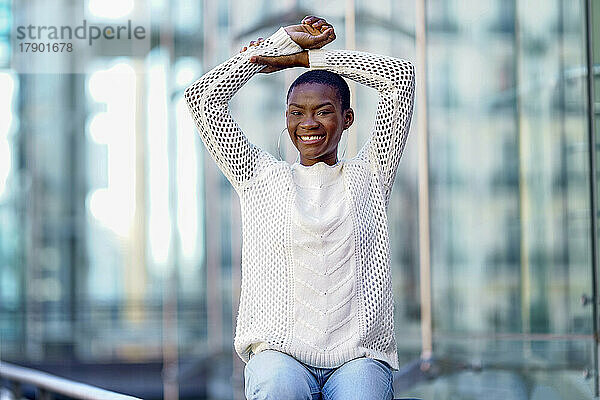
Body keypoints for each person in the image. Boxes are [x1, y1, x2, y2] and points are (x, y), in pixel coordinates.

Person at [184, 15, 415, 400]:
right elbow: (201, 99)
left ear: (347, 118)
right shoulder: (258, 177)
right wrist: (278, 45)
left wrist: (308, 60)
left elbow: (401, 79)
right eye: (296, 112)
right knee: (278, 386)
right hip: (280, 353)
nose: (308, 122)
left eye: (323, 110)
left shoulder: (371, 174)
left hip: (357, 357)